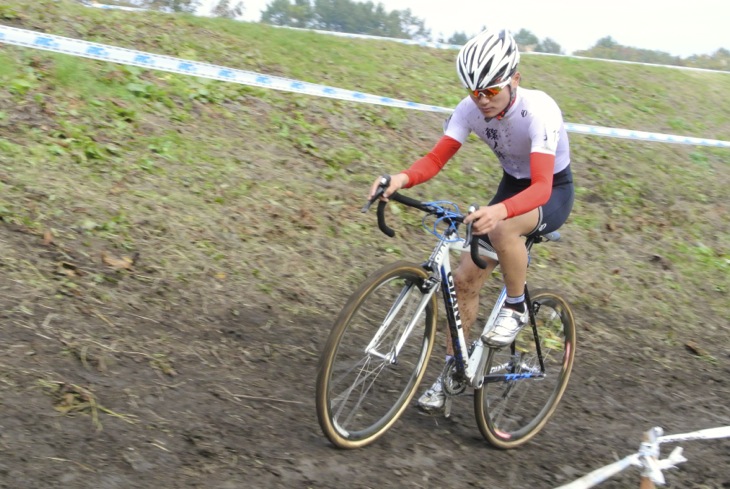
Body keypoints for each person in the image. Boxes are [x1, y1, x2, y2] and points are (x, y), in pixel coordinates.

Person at [367, 28, 574, 414]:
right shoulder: (469, 109)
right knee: (463, 280)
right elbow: (435, 159)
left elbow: (543, 185)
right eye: (474, 92)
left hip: (551, 191)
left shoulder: (540, 110)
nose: (482, 101)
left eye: (491, 91)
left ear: (515, 78)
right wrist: (400, 178)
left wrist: (501, 212)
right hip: (513, 186)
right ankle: (452, 373)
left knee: (501, 226)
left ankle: (516, 307)